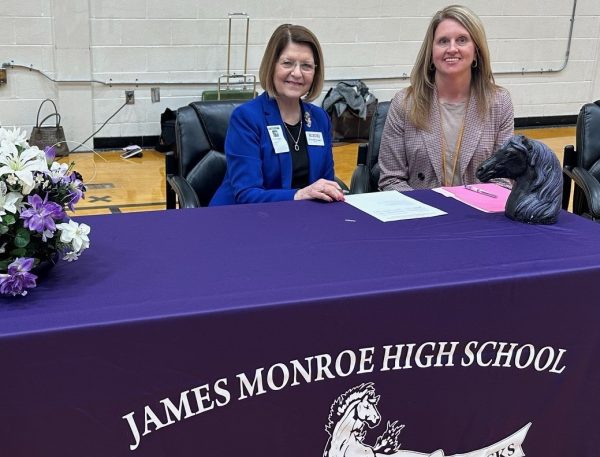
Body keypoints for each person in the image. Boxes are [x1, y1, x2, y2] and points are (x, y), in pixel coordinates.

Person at [378, 5, 514, 192]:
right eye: (443, 41)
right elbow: (391, 180)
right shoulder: (404, 103)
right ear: (431, 52)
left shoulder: (499, 102)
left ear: (476, 51)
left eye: (462, 40)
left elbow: (502, 181)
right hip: (421, 214)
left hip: (477, 214)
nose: (452, 49)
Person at [210, 24, 345, 206]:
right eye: (287, 63)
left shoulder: (320, 119)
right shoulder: (246, 118)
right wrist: (299, 195)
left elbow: (325, 182)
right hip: (245, 219)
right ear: (271, 66)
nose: (297, 73)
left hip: (303, 220)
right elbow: (247, 194)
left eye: (306, 66)